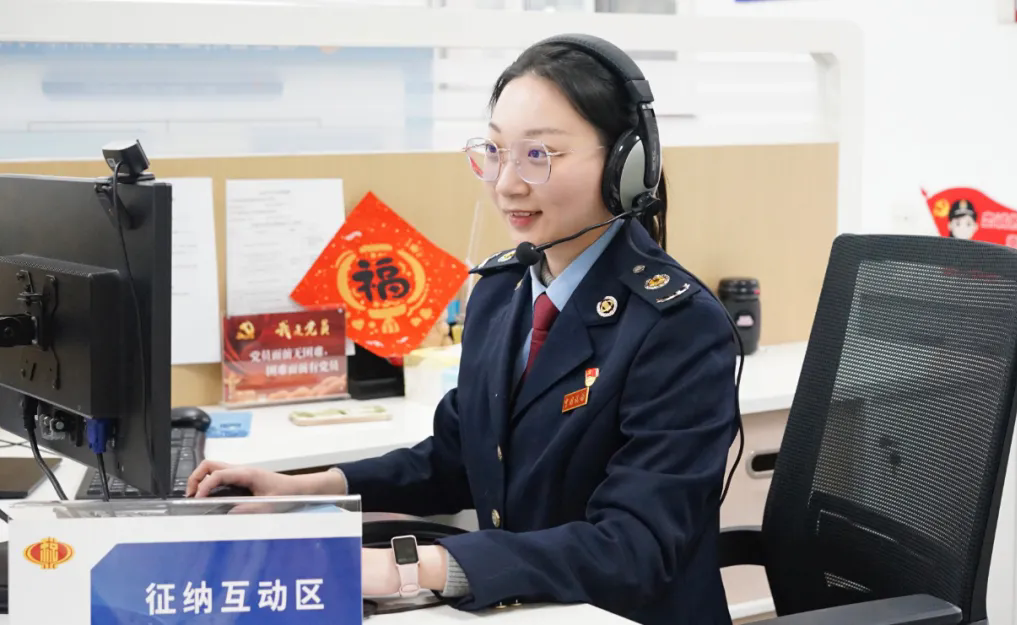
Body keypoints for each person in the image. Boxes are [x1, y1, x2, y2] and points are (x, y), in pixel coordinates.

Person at [187, 34, 739, 625]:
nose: (506, 185)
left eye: (539, 154)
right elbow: (456, 458)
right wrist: (306, 488)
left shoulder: (678, 327)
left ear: (625, 165)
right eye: (495, 152)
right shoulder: (502, 291)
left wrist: (410, 569)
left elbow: (634, 547)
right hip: (531, 607)